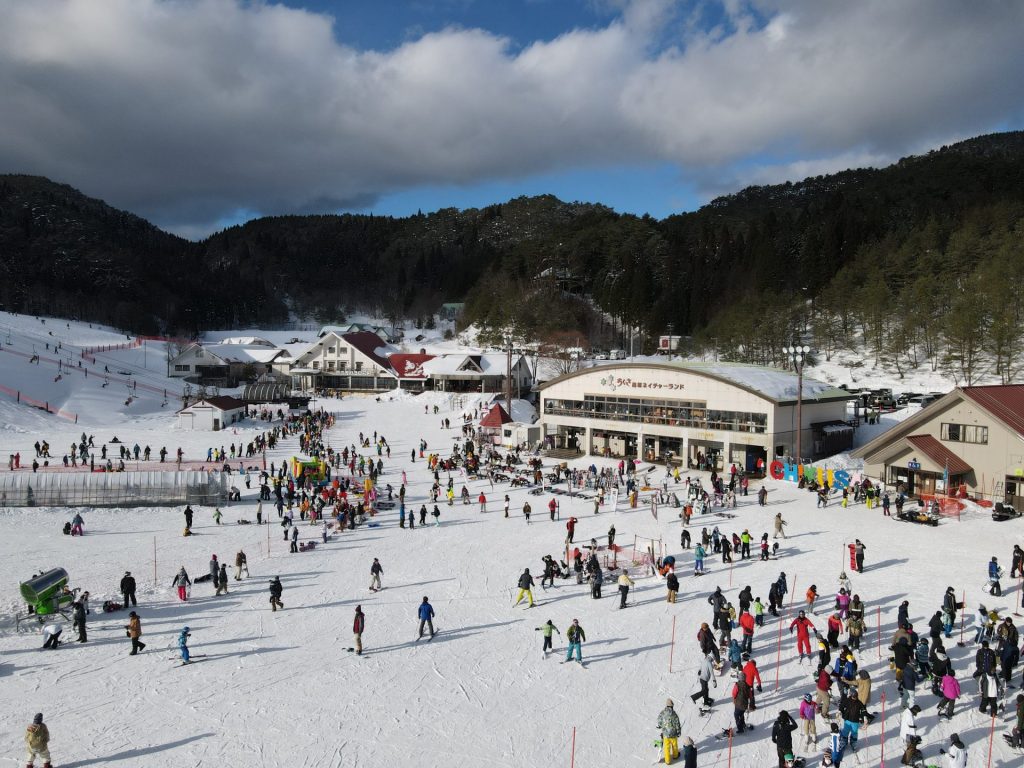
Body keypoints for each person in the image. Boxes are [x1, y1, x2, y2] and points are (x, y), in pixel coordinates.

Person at [657, 699, 682, 765]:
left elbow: (659, 720)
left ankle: (667, 761)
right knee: (674, 745)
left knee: (666, 747)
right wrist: (678, 732)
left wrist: (660, 725)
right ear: (672, 706)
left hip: (665, 734)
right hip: (673, 733)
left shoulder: (663, 713)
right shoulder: (674, 714)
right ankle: (675, 756)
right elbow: (677, 724)